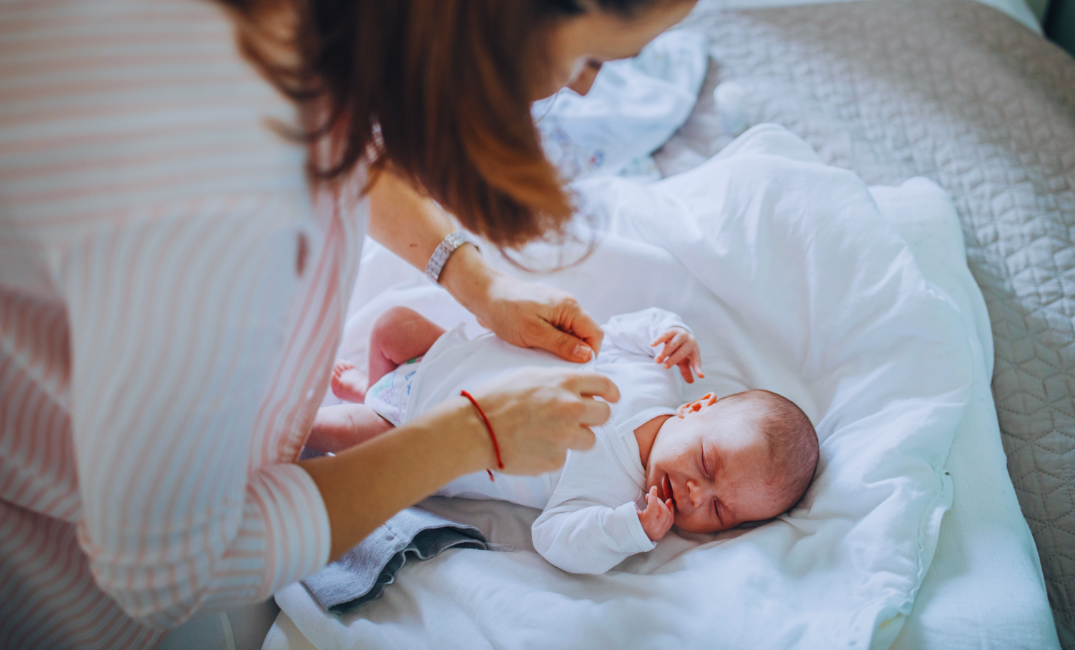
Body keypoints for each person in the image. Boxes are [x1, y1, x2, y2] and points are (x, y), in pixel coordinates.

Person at [0, 0, 699, 647]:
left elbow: (342, 142)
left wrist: (474, 280)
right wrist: (469, 435)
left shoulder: (298, 39)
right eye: (595, 59)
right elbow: (167, 569)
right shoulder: (221, 193)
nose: (579, 90)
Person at [312, 306, 820, 575]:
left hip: (416, 439)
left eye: (717, 513)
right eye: (707, 465)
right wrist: (669, 329)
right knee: (392, 324)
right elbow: (616, 332)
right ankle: (367, 389)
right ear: (696, 407)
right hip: (444, 363)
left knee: (330, 434)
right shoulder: (656, 377)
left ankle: (358, 407)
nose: (694, 495)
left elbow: (553, 539)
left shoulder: (613, 500)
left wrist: (627, 532)